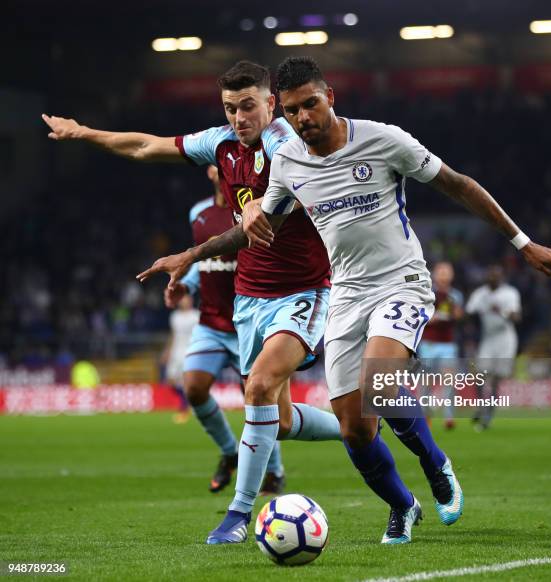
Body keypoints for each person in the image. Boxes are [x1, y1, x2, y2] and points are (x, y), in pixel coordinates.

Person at [138, 56, 551, 544]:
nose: (304, 118)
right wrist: (191, 255)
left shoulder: (385, 139)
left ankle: (435, 462)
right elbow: (254, 232)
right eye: (295, 111)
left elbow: (458, 185)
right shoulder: (289, 162)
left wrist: (522, 242)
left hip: (400, 280)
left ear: (330, 98)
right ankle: (403, 506)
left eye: (311, 104)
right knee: (353, 429)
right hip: (345, 292)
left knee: (379, 383)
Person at [43, 60, 342, 544]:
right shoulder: (220, 141)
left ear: (270, 103)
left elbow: (273, 209)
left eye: (248, 106)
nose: (239, 117)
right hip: (250, 299)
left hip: (304, 289)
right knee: (281, 421)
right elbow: (146, 146)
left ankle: (239, 513)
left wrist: (247, 209)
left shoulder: (286, 143)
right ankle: (358, 426)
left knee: (259, 386)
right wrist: (84, 134)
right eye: (230, 108)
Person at [165, 164, 285, 493]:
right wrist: (186, 286)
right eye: (222, 166)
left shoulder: (255, 208)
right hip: (211, 320)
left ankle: (274, 470)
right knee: (193, 387)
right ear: (211, 172)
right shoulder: (198, 213)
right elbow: (204, 261)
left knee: (259, 399)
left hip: (248, 320)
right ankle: (230, 452)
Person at [465, 265, 521, 430]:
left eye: (497, 276)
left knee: (496, 378)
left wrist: (502, 311)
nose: (493, 278)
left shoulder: (510, 293)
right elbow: (468, 312)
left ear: (502, 278)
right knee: (479, 374)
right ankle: (482, 406)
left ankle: (488, 414)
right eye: (491, 276)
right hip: (488, 338)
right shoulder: (480, 294)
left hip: (505, 338)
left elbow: (517, 317)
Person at [418, 262, 464, 429]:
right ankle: (426, 415)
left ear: (451, 276)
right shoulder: (427, 294)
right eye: (441, 272)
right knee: (426, 382)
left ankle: (449, 417)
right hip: (428, 343)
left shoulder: (456, 295)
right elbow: (420, 316)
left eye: (447, 272)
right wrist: (433, 318)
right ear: (434, 275)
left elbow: (459, 315)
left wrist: (453, 313)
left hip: (448, 344)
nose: (444, 276)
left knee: (449, 381)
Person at [160, 293, 198, 425]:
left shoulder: (196, 316)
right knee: (169, 381)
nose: (184, 302)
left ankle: (183, 409)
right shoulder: (175, 317)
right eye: (182, 299)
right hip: (176, 353)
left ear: (191, 300)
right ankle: (187, 403)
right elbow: (173, 335)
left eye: (186, 299)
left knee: (185, 382)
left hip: (189, 352)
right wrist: (167, 352)